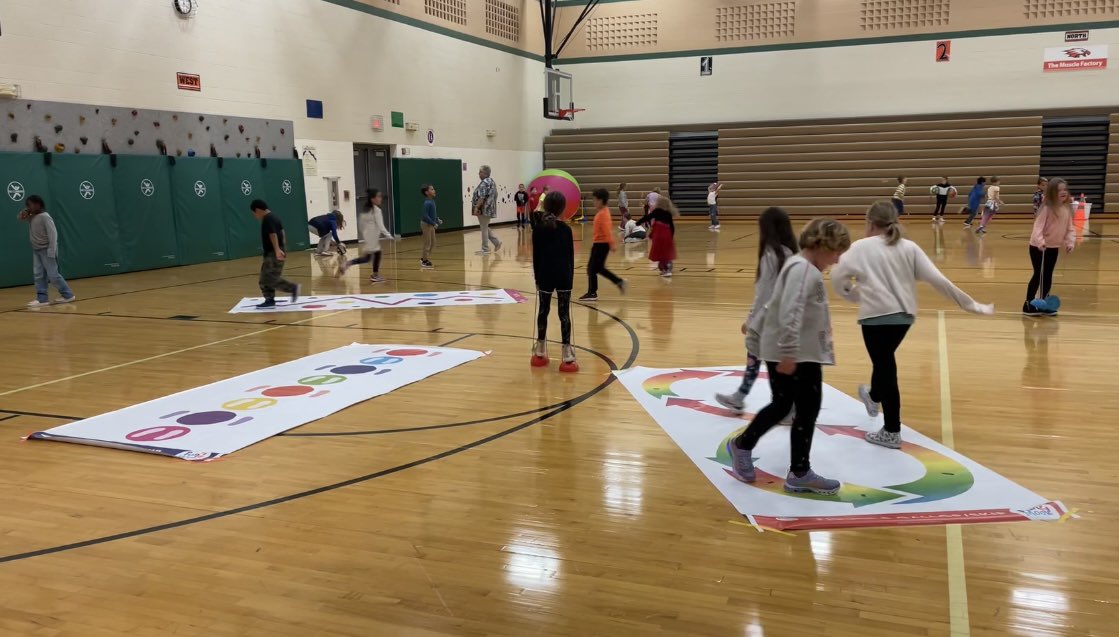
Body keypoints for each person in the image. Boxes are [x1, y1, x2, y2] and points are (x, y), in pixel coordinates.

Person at [831, 201, 994, 449]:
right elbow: (939, 280)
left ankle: (892, 430)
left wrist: (854, 295)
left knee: (885, 366)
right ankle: (873, 396)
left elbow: (838, 278)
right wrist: (972, 305)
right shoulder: (909, 247)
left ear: (870, 223)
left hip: (874, 319)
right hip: (903, 319)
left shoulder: (860, 247)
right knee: (884, 362)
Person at [723, 219, 852, 495]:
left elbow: (776, 301)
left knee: (783, 405)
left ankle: (743, 446)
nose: (837, 259)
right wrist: (790, 352)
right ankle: (799, 472)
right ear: (821, 245)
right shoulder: (804, 270)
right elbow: (790, 312)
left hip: (788, 349)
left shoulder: (797, 265)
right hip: (797, 353)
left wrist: (755, 321)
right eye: (836, 252)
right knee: (806, 408)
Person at [715, 207, 799, 415]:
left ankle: (784, 406)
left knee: (764, 360)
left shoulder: (771, 255)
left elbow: (763, 293)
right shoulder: (791, 254)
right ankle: (743, 396)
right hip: (785, 318)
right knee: (768, 360)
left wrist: (750, 319)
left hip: (768, 319)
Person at [531, 191, 577, 370]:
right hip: (564, 276)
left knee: (544, 310)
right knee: (564, 313)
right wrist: (570, 278)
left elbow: (536, 257)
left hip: (545, 275)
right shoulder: (566, 229)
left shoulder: (538, 228)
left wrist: (537, 278)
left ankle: (540, 347)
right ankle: (566, 351)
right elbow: (570, 257)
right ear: (562, 209)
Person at [1023, 177, 1076, 316]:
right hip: (1038, 247)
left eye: (1065, 189)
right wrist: (1040, 242)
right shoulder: (1046, 209)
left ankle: (1044, 303)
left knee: (1047, 275)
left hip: (1053, 248)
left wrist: (1070, 242)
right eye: (1059, 190)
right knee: (1038, 275)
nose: (1063, 192)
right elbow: (1037, 228)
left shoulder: (1067, 209)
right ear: (1052, 193)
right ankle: (1028, 303)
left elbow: (1070, 229)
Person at [18, 195, 76, 307]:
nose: (28, 207)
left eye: (30, 205)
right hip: (37, 250)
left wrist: (51, 250)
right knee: (39, 274)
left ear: (38, 205)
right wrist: (23, 213)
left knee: (53, 275)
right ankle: (42, 299)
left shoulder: (45, 217)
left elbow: (53, 234)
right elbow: (20, 218)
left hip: (47, 250)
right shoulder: (32, 216)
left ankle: (68, 295)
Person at [251, 199, 299, 308]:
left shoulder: (267, 218)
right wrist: (283, 246)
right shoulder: (275, 217)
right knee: (264, 278)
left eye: (254, 213)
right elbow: (282, 232)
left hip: (273, 253)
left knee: (270, 278)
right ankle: (269, 300)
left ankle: (292, 288)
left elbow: (273, 234)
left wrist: (277, 249)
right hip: (275, 250)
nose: (255, 216)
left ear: (257, 210)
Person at [579, 188, 626, 302]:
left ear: (600, 200)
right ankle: (618, 282)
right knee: (597, 268)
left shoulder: (603, 214)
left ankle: (592, 292)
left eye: (595, 200)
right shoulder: (604, 212)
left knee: (592, 269)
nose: (594, 202)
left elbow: (607, 231)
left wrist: (611, 244)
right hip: (599, 244)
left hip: (601, 245)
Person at [339, 189, 393, 282]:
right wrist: (389, 235)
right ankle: (373, 275)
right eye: (378, 196)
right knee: (372, 256)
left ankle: (348, 264)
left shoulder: (366, 209)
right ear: (373, 199)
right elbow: (381, 226)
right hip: (372, 237)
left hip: (368, 236)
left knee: (369, 257)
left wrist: (364, 233)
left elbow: (360, 223)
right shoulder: (376, 210)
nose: (380, 198)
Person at [472, 165, 502, 255]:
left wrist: (477, 207)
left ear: (484, 173)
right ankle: (496, 242)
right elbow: (496, 194)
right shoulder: (491, 181)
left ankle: (485, 249)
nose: (479, 174)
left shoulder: (484, 183)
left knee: (484, 228)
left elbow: (482, 197)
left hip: (483, 209)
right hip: (489, 208)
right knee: (484, 226)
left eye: (480, 172)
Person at [645, 195, 677, 277]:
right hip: (667, 238)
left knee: (663, 256)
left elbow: (655, 226)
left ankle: (667, 270)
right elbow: (672, 227)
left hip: (661, 239)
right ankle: (666, 269)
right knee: (665, 255)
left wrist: (651, 235)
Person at [420, 184, 442, 269]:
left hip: (431, 224)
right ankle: (424, 261)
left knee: (433, 243)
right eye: (432, 189)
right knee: (427, 243)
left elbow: (432, 214)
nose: (434, 190)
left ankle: (423, 258)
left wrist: (437, 219)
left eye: (434, 189)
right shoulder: (427, 203)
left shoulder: (432, 201)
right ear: (426, 192)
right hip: (426, 225)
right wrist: (433, 223)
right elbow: (425, 216)